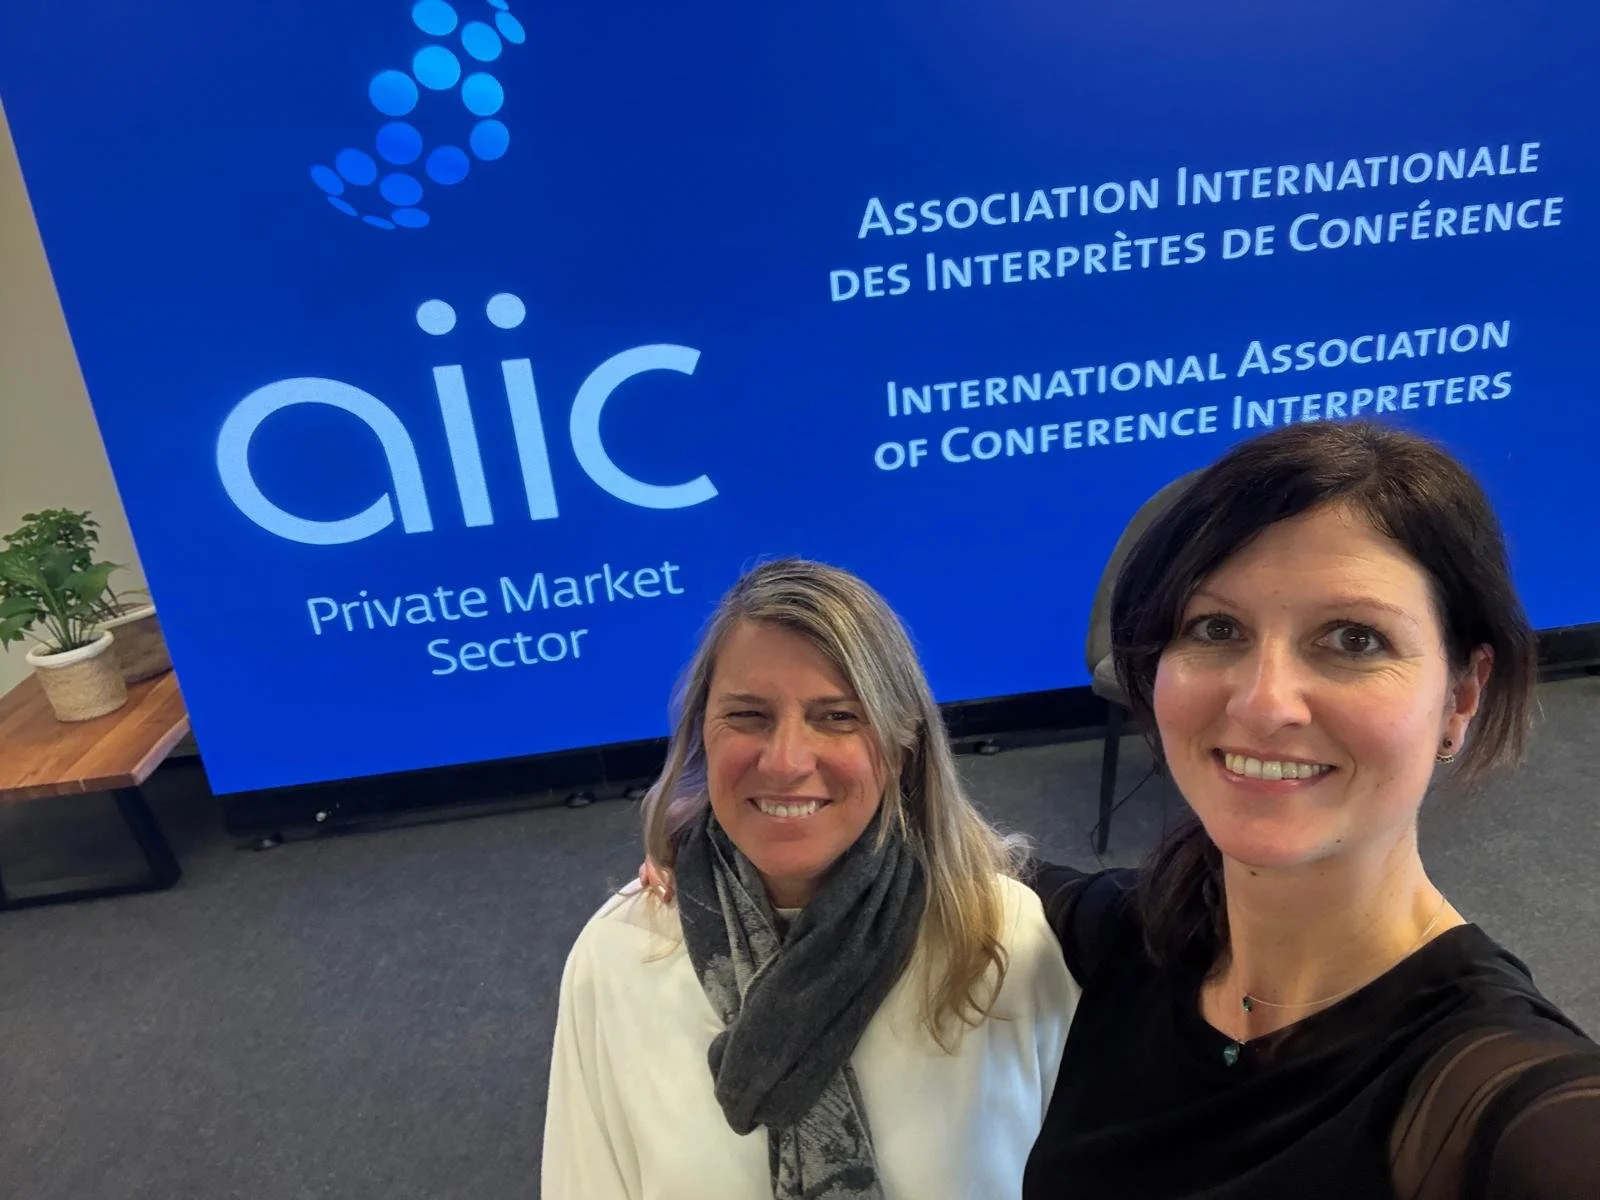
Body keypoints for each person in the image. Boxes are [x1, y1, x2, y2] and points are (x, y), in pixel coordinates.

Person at [1023, 420, 1600, 1199]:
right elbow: (982, 865)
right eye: (1215, 628)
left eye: (1355, 639)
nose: (1263, 704)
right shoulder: (1145, 933)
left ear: (1461, 695)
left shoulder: (1480, 1083)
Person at [541, 559, 1079, 1200]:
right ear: (700, 738)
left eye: (838, 717)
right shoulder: (619, 956)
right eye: (748, 716)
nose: (788, 762)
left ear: (901, 745)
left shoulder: (1004, 940)